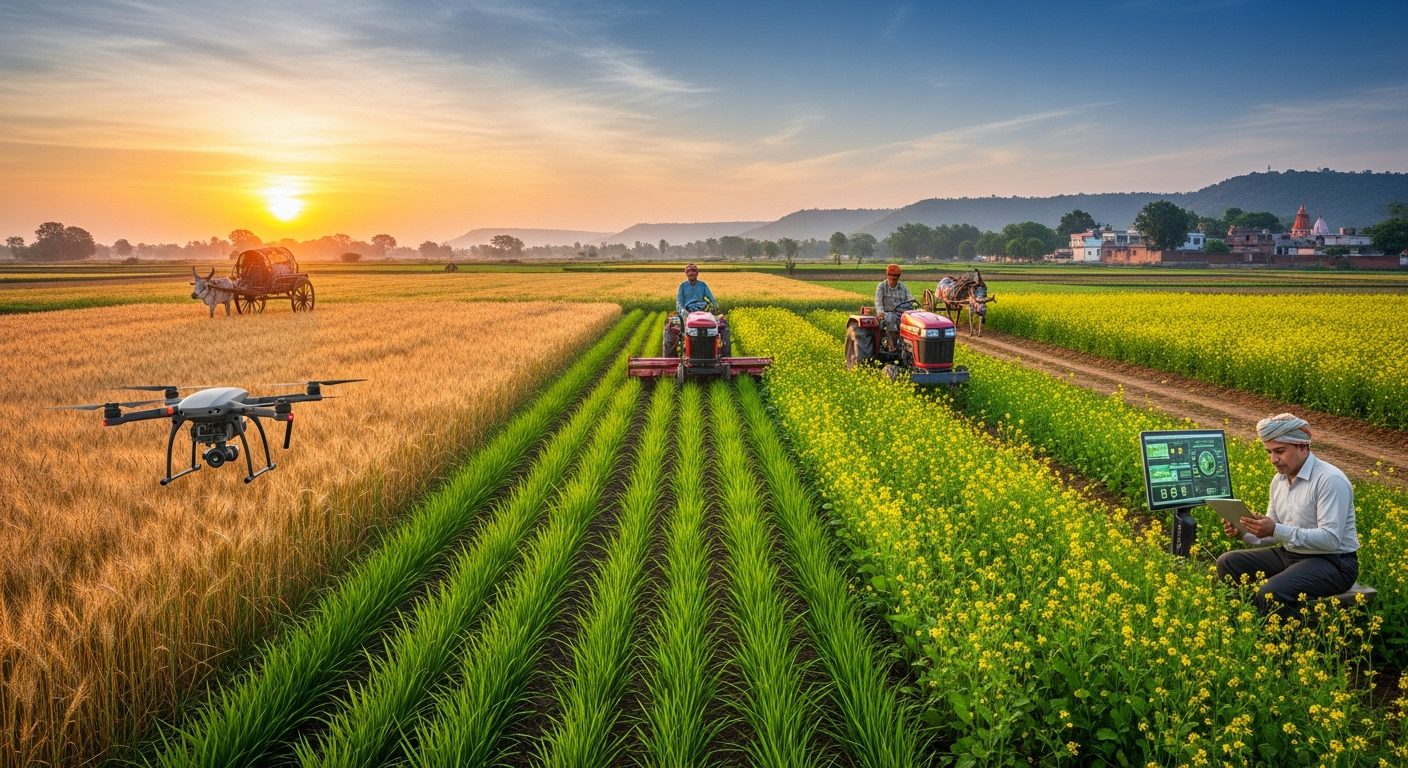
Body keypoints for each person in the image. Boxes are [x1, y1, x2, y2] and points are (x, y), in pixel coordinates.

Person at [1215, 413, 1359, 618]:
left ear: (1302, 446)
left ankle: (1285, 640)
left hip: (1333, 563)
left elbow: (1330, 540)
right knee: (1228, 562)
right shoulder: (1279, 480)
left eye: (1279, 451)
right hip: (1291, 555)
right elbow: (1275, 534)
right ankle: (1245, 621)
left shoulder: (1330, 480)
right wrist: (1245, 531)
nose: (1273, 459)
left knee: (1271, 592)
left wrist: (1275, 528)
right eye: (1269, 452)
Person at [664, 263, 721, 356]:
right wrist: (684, 313)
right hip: (688, 311)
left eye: (693, 271)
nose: (691, 273)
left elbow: (712, 299)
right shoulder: (683, 286)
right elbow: (679, 303)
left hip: (702, 311)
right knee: (671, 326)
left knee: (720, 324)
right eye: (688, 271)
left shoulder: (703, 285)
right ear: (686, 273)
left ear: (697, 273)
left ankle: (714, 348)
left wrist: (714, 306)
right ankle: (684, 343)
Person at [874, 263, 914, 352]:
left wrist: (915, 306)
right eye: (891, 275)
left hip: (901, 313)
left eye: (895, 276)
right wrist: (880, 312)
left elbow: (910, 299)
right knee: (891, 317)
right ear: (887, 275)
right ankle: (892, 345)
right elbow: (878, 301)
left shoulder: (903, 287)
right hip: (886, 313)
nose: (893, 278)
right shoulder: (882, 286)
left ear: (899, 276)